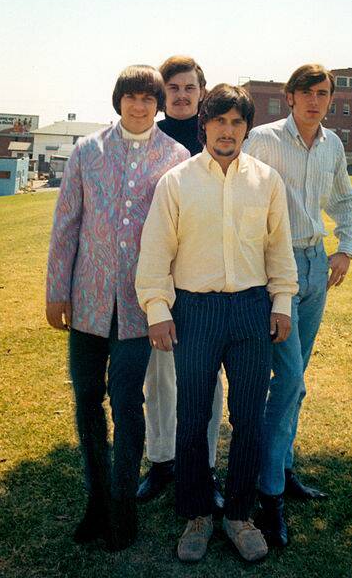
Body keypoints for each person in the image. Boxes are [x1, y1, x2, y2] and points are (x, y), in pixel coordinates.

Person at [136, 85, 298, 563]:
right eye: (219, 121)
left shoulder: (266, 181)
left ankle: (240, 515)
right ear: (204, 124)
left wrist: (282, 302)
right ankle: (197, 514)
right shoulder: (178, 181)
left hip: (251, 311)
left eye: (236, 123)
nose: (227, 131)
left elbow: (278, 249)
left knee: (249, 417)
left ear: (247, 128)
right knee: (194, 416)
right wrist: (158, 311)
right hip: (195, 312)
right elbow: (155, 253)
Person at [45, 65, 189, 552]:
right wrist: (55, 290)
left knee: (128, 405)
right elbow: (67, 224)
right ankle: (97, 500)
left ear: (159, 104)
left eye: (149, 98)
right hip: (85, 304)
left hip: (138, 308)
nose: (140, 106)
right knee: (87, 402)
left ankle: (123, 508)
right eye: (131, 97)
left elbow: (178, 236)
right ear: (118, 100)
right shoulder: (88, 151)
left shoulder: (176, 157)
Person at [244, 63, 352, 548]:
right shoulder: (264, 141)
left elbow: (345, 200)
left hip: (316, 264)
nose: (315, 100)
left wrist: (345, 247)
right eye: (306, 93)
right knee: (288, 379)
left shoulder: (331, 145)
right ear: (288, 97)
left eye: (323, 93)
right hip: (277, 267)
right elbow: (242, 204)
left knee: (297, 378)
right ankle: (268, 497)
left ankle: (283, 467)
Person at [138, 55, 226, 506]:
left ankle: (205, 468)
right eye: (172, 88)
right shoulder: (150, 140)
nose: (181, 95)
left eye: (189, 87)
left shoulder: (216, 137)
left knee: (208, 378)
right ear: (162, 94)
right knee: (162, 376)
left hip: (207, 273)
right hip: (163, 273)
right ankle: (161, 461)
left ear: (201, 91)